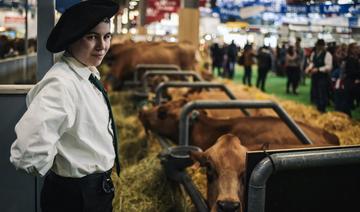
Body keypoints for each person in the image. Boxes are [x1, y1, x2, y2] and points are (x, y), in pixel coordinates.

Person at [9, 1, 120, 212]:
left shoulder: (87, 74)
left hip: (92, 191)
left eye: (106, 37)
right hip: (76, 198)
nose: (102, 46)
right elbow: (28, 153)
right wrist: (64, 173)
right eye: (91, 37)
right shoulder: (61, 84)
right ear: (71, 40)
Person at [305, 39, 333, 113]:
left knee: (322, 93)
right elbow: (312, 63)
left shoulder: (327, 54)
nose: (318, 47)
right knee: (315, 92)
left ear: (323, 46)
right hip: (315, 76)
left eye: (320, 46)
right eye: (318, 45)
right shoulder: (314, 53)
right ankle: (317, 108)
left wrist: (318, 69)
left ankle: (322, 109)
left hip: (323, 77)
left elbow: (329, 67)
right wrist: (309, 68)